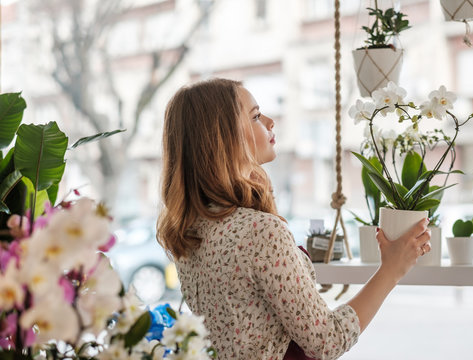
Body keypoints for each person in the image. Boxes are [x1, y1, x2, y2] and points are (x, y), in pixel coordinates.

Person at [157, 78, 431, 360]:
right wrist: (391, 270)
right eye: (255, 116)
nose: (270, 121)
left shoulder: (189, 230)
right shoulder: (259, 231)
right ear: (222, 137)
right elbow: (327, 341)